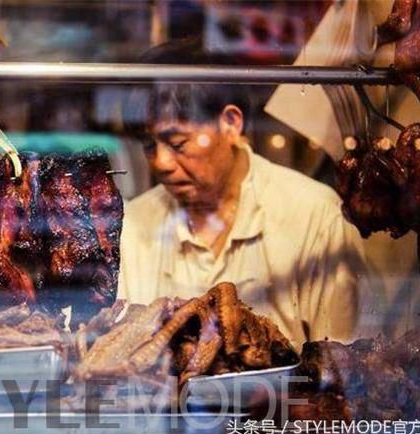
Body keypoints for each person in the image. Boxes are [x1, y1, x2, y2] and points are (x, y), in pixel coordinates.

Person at [117, 40, 370, 350]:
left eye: (178, 143)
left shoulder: (316, 217)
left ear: (230, 124)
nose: (161, 162)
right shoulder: (133, 225)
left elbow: (343, 365)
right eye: (148, 146)